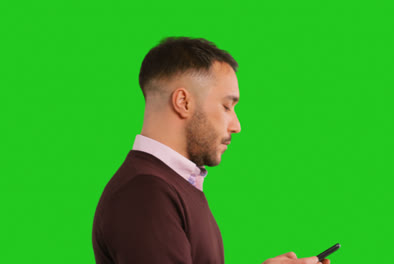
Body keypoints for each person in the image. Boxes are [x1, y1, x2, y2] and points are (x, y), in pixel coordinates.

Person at [91, 36, 331, 264]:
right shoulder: (145, 194)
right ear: (183, 102)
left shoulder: (173, 186)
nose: (236, 126)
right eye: (227, 106)